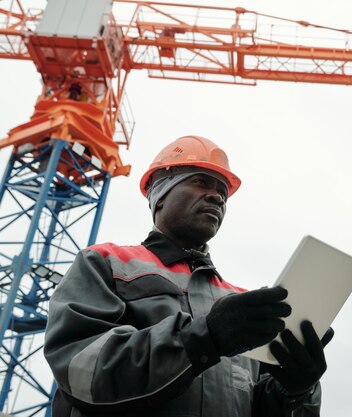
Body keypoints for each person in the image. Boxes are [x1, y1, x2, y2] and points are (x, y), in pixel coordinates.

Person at [44, 135, 334, 417]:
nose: (216, 197)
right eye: (200, 182)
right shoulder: (106, 262)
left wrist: (293, 390)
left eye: (222, 192)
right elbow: (81, 370)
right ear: (159, 197)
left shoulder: (242, 305)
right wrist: (206, 337)